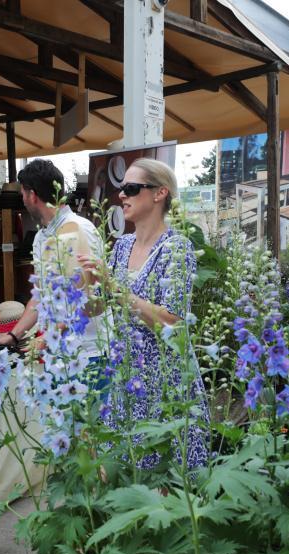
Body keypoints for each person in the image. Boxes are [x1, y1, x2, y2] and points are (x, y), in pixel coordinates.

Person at [80, 158, 209, 469]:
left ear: (159, 193)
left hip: (165, 381)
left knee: (166, 477)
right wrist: (83, 288)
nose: (122, 194)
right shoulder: (122, 246)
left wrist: (113, 285)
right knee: (125, 472)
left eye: (132, 188)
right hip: (127, 378)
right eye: (122, 188)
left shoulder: (176, 248)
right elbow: (103, 305)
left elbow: (172, 322)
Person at [0, 159, 107, 358]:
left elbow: (93, 297)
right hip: (57, 352)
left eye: (23, 194)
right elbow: (40, 295)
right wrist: (14, 335)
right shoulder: (41, 236)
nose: (23, 200)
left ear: (32, 195)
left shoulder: (79, 229)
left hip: (88, 353)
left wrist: (50, 336)